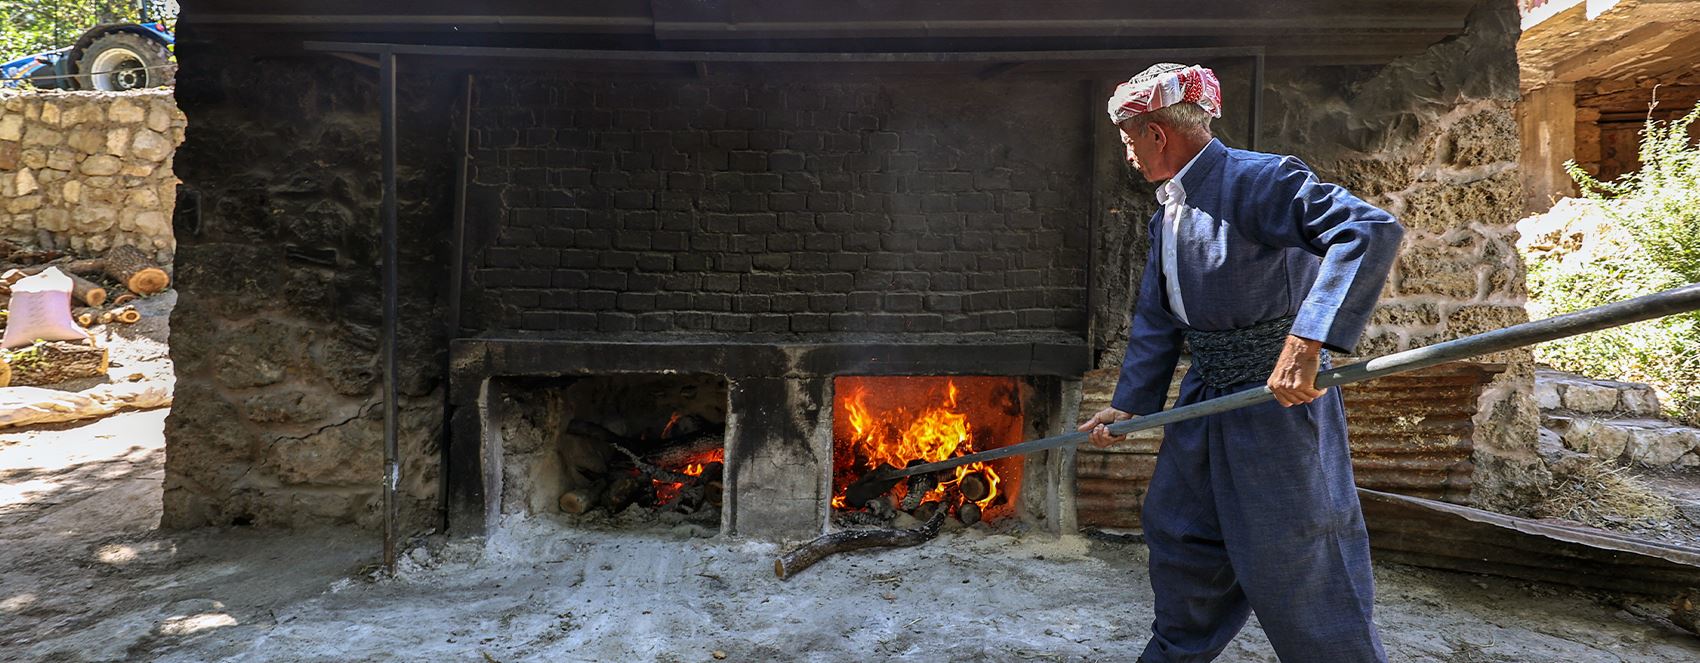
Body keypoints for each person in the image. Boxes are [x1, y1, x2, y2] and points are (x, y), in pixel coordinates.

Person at [1077, 63, 1404, 662]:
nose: (1127, 153)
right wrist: (1132, 404)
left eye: (1128, 138)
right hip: (1205, 397)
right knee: (1180, 531)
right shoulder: (1169, 209)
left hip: (1276, 399)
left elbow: (1368, 230)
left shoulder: (1260, 180)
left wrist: (1307, 344)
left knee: (1298, 551)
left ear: (1157, 133)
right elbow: (1158, 312)